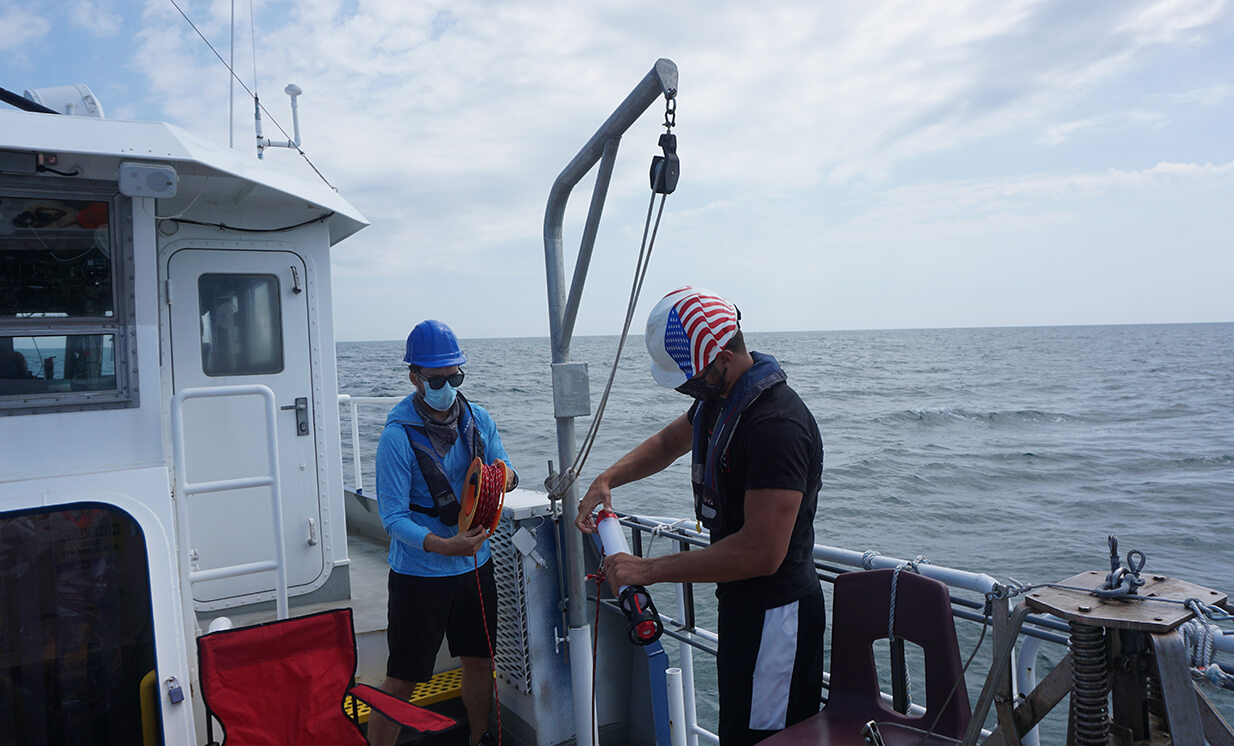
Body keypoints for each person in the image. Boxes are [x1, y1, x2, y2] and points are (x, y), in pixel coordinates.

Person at [575, 287, 826, 746]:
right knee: (738, 731)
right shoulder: (721, 400)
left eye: (690, 379)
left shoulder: (777, 425)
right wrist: (608, 478)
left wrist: (646, 570)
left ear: (724, 357)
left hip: (777, 616)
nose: (686, 388)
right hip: (741, 603)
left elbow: (762, 551)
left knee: (767, 738)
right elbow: (670, 443)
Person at [368, 319, 518, 746]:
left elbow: (504, 465)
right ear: (414, 377)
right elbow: (393, 518)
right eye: (437, 379)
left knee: (479, 661)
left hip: (474, 566)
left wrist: (500, 480)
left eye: (455, 376)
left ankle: (479, 738)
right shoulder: (396, 439)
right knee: (402, 680)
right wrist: (443, 545)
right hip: (419, 576)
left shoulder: (480, 418)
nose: (447, 385)